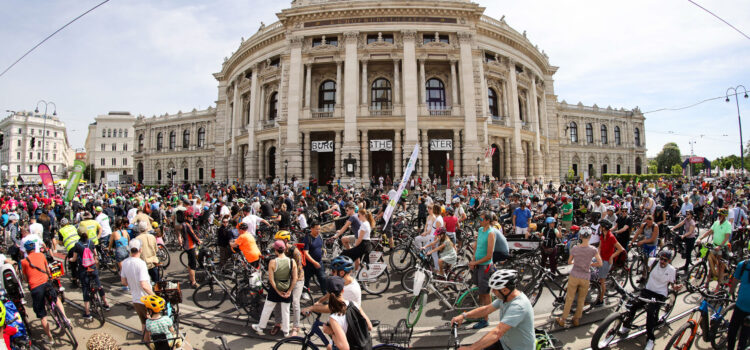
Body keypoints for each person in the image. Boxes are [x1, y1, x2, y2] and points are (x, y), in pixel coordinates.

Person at [451, 269, 535, 350]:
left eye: (494, 289)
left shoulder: (518, 306)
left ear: (505, 290)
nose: (492, 292)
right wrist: (463, 315)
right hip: (505, 344)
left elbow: (497, 332)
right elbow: (486, 309)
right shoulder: (505, 298)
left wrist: (471, 348)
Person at [620, 250, 681, 350]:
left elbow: (673, 285)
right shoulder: (653, 262)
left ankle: (650, 339)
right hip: (647, 290)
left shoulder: (671, 270)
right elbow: (645, 263)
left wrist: (676, 287)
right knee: (633, 304)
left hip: (659, 295)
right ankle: (626, 326)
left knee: (650, 313)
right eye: (661, 258)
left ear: (669, 261)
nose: (662, 261)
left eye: (665, 260)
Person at [20, 240, 68, 345]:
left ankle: (50, 338)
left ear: (26, 250)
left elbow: (24, 278)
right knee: (56, 299)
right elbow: (47, 268)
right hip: (46, 283)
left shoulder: (24, 261)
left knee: (42, 315)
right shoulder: (41, 255)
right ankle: (65, 318)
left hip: (36, 288)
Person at [557, 227, 602, 327]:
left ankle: (563, 319)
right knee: (581, 299)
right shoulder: (593, 250)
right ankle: (576, 319)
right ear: (590, 237)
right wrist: (590, 264)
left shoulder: (575, 248)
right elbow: (600, 263)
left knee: (569, 298)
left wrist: (575, 262)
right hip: (585, 277)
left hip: (574, 275)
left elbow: (569, 262)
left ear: (580, 236)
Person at [252, 240, 297, 337]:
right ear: (284, 249)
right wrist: (289, 291)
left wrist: (277, 291)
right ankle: (286, 331)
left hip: (275, 289)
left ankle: (260, 328)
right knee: (286, 310)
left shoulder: (272, 262)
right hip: (286, 288)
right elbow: (295, 278)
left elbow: (271, 280)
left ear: (276, 250)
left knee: (267, 308)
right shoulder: (291, 261)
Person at [320, 276, 373, 350]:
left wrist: (331, 332)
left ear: (328, 293)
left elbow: (345, 348)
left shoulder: (334, 318)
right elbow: (369, 326)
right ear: (343, 291)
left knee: (330, 347)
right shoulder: (354, 304)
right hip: (366, 347)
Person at [68, 226, 110, 319]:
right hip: (92, 268)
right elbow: (95, 254)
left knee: (85, 289)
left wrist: (70, 259)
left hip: (83, 269)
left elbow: (74, 259)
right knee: (99, 285)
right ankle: (106, 303)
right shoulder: (91, 242)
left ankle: (87, 312)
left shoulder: (77, 245)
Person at [120, 239, 154, 340]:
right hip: (145, 298)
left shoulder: (125, 263)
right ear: (140, 250)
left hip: (135, 299)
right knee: (151, 323)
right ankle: (148, 341)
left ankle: (145, 339)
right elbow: (144, 284)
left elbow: (124, 282)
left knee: (144, 322)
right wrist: (154, 296)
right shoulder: (141, 264)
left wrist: (132, 283)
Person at [468, 211, 496, 329]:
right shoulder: (480, 230)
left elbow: (489, 256)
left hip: (485, 266)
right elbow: (476, 246)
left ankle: (486, 319)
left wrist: (476, 262)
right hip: (478, 265)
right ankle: (482, 314)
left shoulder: (491, 233)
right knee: (481, 292)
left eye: (482, 219)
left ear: (488, 221)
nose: (480, 221)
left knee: (485, 294)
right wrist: (473, 260)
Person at [699, 208, 732, 287]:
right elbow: (710, 231)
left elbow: (727, 237)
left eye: (720, 215)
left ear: (724, 216)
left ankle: (719, 285)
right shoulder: (716, 223)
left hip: (722, 248)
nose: (719, 216)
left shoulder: (728, 224)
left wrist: (720, 246)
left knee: (720, 267)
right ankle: (706, 283)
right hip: (714, 245)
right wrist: (701, 238)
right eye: (718, 214)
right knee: (711, 265)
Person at [595, 220, 624, 306]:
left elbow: (620, 249)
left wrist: (611, 256)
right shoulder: (602, 235)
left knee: (602, 281)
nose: (599, 228)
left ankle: (600, 300)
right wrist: (597, 255)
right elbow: (599, 246)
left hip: (607, 261)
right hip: (601, 258)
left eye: (600, 226)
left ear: (604, 228)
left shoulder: (611, 237)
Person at [727, 255, 750, 350]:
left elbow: (734, 284)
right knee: (741, 336)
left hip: (740, 306)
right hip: (741, 307)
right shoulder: (743, 265)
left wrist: (729, 294)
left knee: (734, 333)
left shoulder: (743, 264)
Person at [301, 219, 327, 295]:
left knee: (323, 279)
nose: (318, 231)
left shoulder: (320, 236)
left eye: (319, 229)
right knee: (306, 280)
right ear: (311, 228)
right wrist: (314, 262)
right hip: (309, 265)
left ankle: (325, 295)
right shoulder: (307, 238)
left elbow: (320, 246)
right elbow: (305, 253)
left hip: (319, 263)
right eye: (316, 229)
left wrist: (323, 249)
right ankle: (305, 293)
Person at [176, 213, 201, 288]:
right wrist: (198, 241)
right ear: (186, 217)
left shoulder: (182, 224)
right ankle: (193, 282)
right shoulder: (187, 225)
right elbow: (192, 235)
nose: (191, 219)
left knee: (190, 263)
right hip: (190, 246)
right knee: (193, 265)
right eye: (190, 217)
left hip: (186, 246)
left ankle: (191, 279)